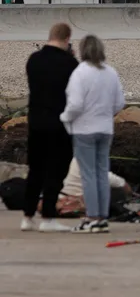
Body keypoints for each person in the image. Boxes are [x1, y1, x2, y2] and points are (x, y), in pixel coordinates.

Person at [60, 35, 125, 234]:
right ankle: (102, 218)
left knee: (88, 175)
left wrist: (65, 116)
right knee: (101, 173)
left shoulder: (80, 73)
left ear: (82, 50)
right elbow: (119, 103)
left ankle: (92, 217)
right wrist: (105, 114)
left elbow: (76, 104)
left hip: (84, 129)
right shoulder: (110, 72)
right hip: (105, 129)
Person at [21, 23, 79, 233]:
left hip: (36, 121)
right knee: (56, 170)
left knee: (35, 168)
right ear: (67, 38)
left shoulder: (34, 60)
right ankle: (48, 216)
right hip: (60, 122)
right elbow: (74, 95)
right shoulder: (70, 63)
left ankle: (27, 216)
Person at [58, 157, 132, 219]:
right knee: (117, 191)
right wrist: (130, 193)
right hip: (76, 201)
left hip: (60, 199)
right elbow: (116, 182)